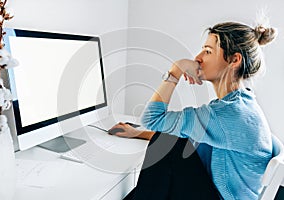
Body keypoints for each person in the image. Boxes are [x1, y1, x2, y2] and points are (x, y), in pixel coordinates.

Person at [110, 21, 277, 199]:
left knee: (168, 142)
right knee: (169, 145)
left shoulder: (229, 114)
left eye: (208, 51)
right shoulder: (239, 106)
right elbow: (190, 136)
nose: (198, 57)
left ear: (234, 60)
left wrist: (175, 71)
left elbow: (152, 119)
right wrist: (137, 133)